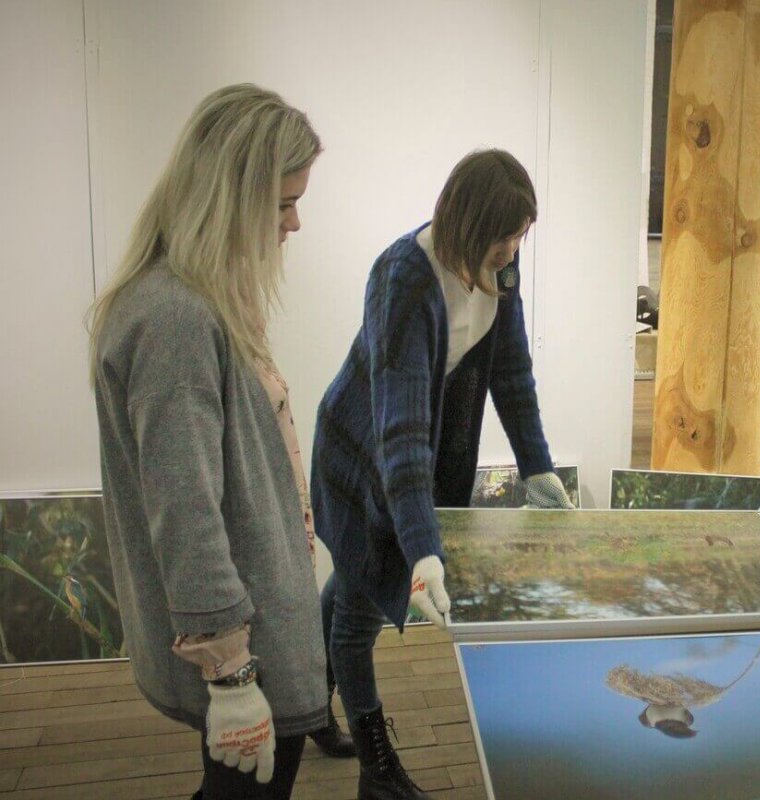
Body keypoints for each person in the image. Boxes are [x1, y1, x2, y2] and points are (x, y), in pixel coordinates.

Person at [89, 83, 334, 799]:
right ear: (231, 199)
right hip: (246, 640)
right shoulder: (176, 319)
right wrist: (230, 674)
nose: (294, 223)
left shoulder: (201, 301)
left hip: (258, 614)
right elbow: (185, 509)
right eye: (282, 204)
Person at [311, 148, 574, 800]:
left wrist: (537, 469)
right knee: (360, 609)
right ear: (467, 224)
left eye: (520, 237)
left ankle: (308, 699)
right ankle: (377, 771)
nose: (512, 253)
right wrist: (423, 549)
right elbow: (399, 430)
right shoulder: (404, 277)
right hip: (363, 452)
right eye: (503, 239)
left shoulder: (500, 269)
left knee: (353, 580)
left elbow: (512, 373)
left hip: (410, 452)